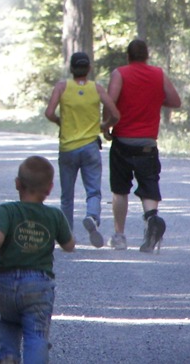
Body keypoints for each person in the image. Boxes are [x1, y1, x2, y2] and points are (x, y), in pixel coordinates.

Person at [0, 156, 75, 364]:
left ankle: (8, 355)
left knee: (8, 322)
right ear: (50, 188)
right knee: (36, 334)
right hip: (39, 284)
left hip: (7, 283)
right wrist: (68, 237)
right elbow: (69, 246)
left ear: (18, 183)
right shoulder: (55, 215)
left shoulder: (7, 211)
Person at [104, 39, 181, 252]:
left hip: (122, 141)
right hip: (148, 143)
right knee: (149, 185)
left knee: (120, 190)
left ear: (128, 56)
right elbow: (175, 101)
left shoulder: (120, 74)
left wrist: (106, 126)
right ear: (147, 56)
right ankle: (152, 220)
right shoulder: (158, 74)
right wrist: (154, 99)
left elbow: (110, 103)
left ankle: (119, 236)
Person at [45, 52, 120, 248]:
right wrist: (104, 126)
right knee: (93, 190)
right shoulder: (96, 88)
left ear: (71, 69)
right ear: (89, 69)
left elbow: (49, 113)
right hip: (90, 147)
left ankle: (67, 236)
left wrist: (60, 122)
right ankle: (92, 217)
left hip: (68, 148)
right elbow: (115, 114)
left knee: (66, 195)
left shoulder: (62, 87)